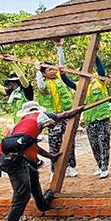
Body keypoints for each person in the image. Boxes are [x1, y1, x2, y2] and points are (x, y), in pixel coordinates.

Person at [0, 101, 78, 221]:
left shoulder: (21, 126)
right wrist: (78, 109)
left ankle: (43, 204)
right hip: (13, 160)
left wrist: (50, 156)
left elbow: (33, 146)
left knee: (33, 176)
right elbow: (62, 115)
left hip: (5, 158)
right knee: (22, 196)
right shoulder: (38, 116)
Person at [35, 40, 77, 179]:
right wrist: (37, 71)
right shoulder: (44, 86)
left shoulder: (60, 79)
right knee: (54, 143)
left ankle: (71, 167)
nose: (53, 70)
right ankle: (54, 170)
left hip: (66, 115)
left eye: (53, 69)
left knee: (69, 141)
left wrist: (59, 46)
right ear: (44, 74)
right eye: (49, 69)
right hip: (53, 118)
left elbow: (61, 65)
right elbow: (40, 84)